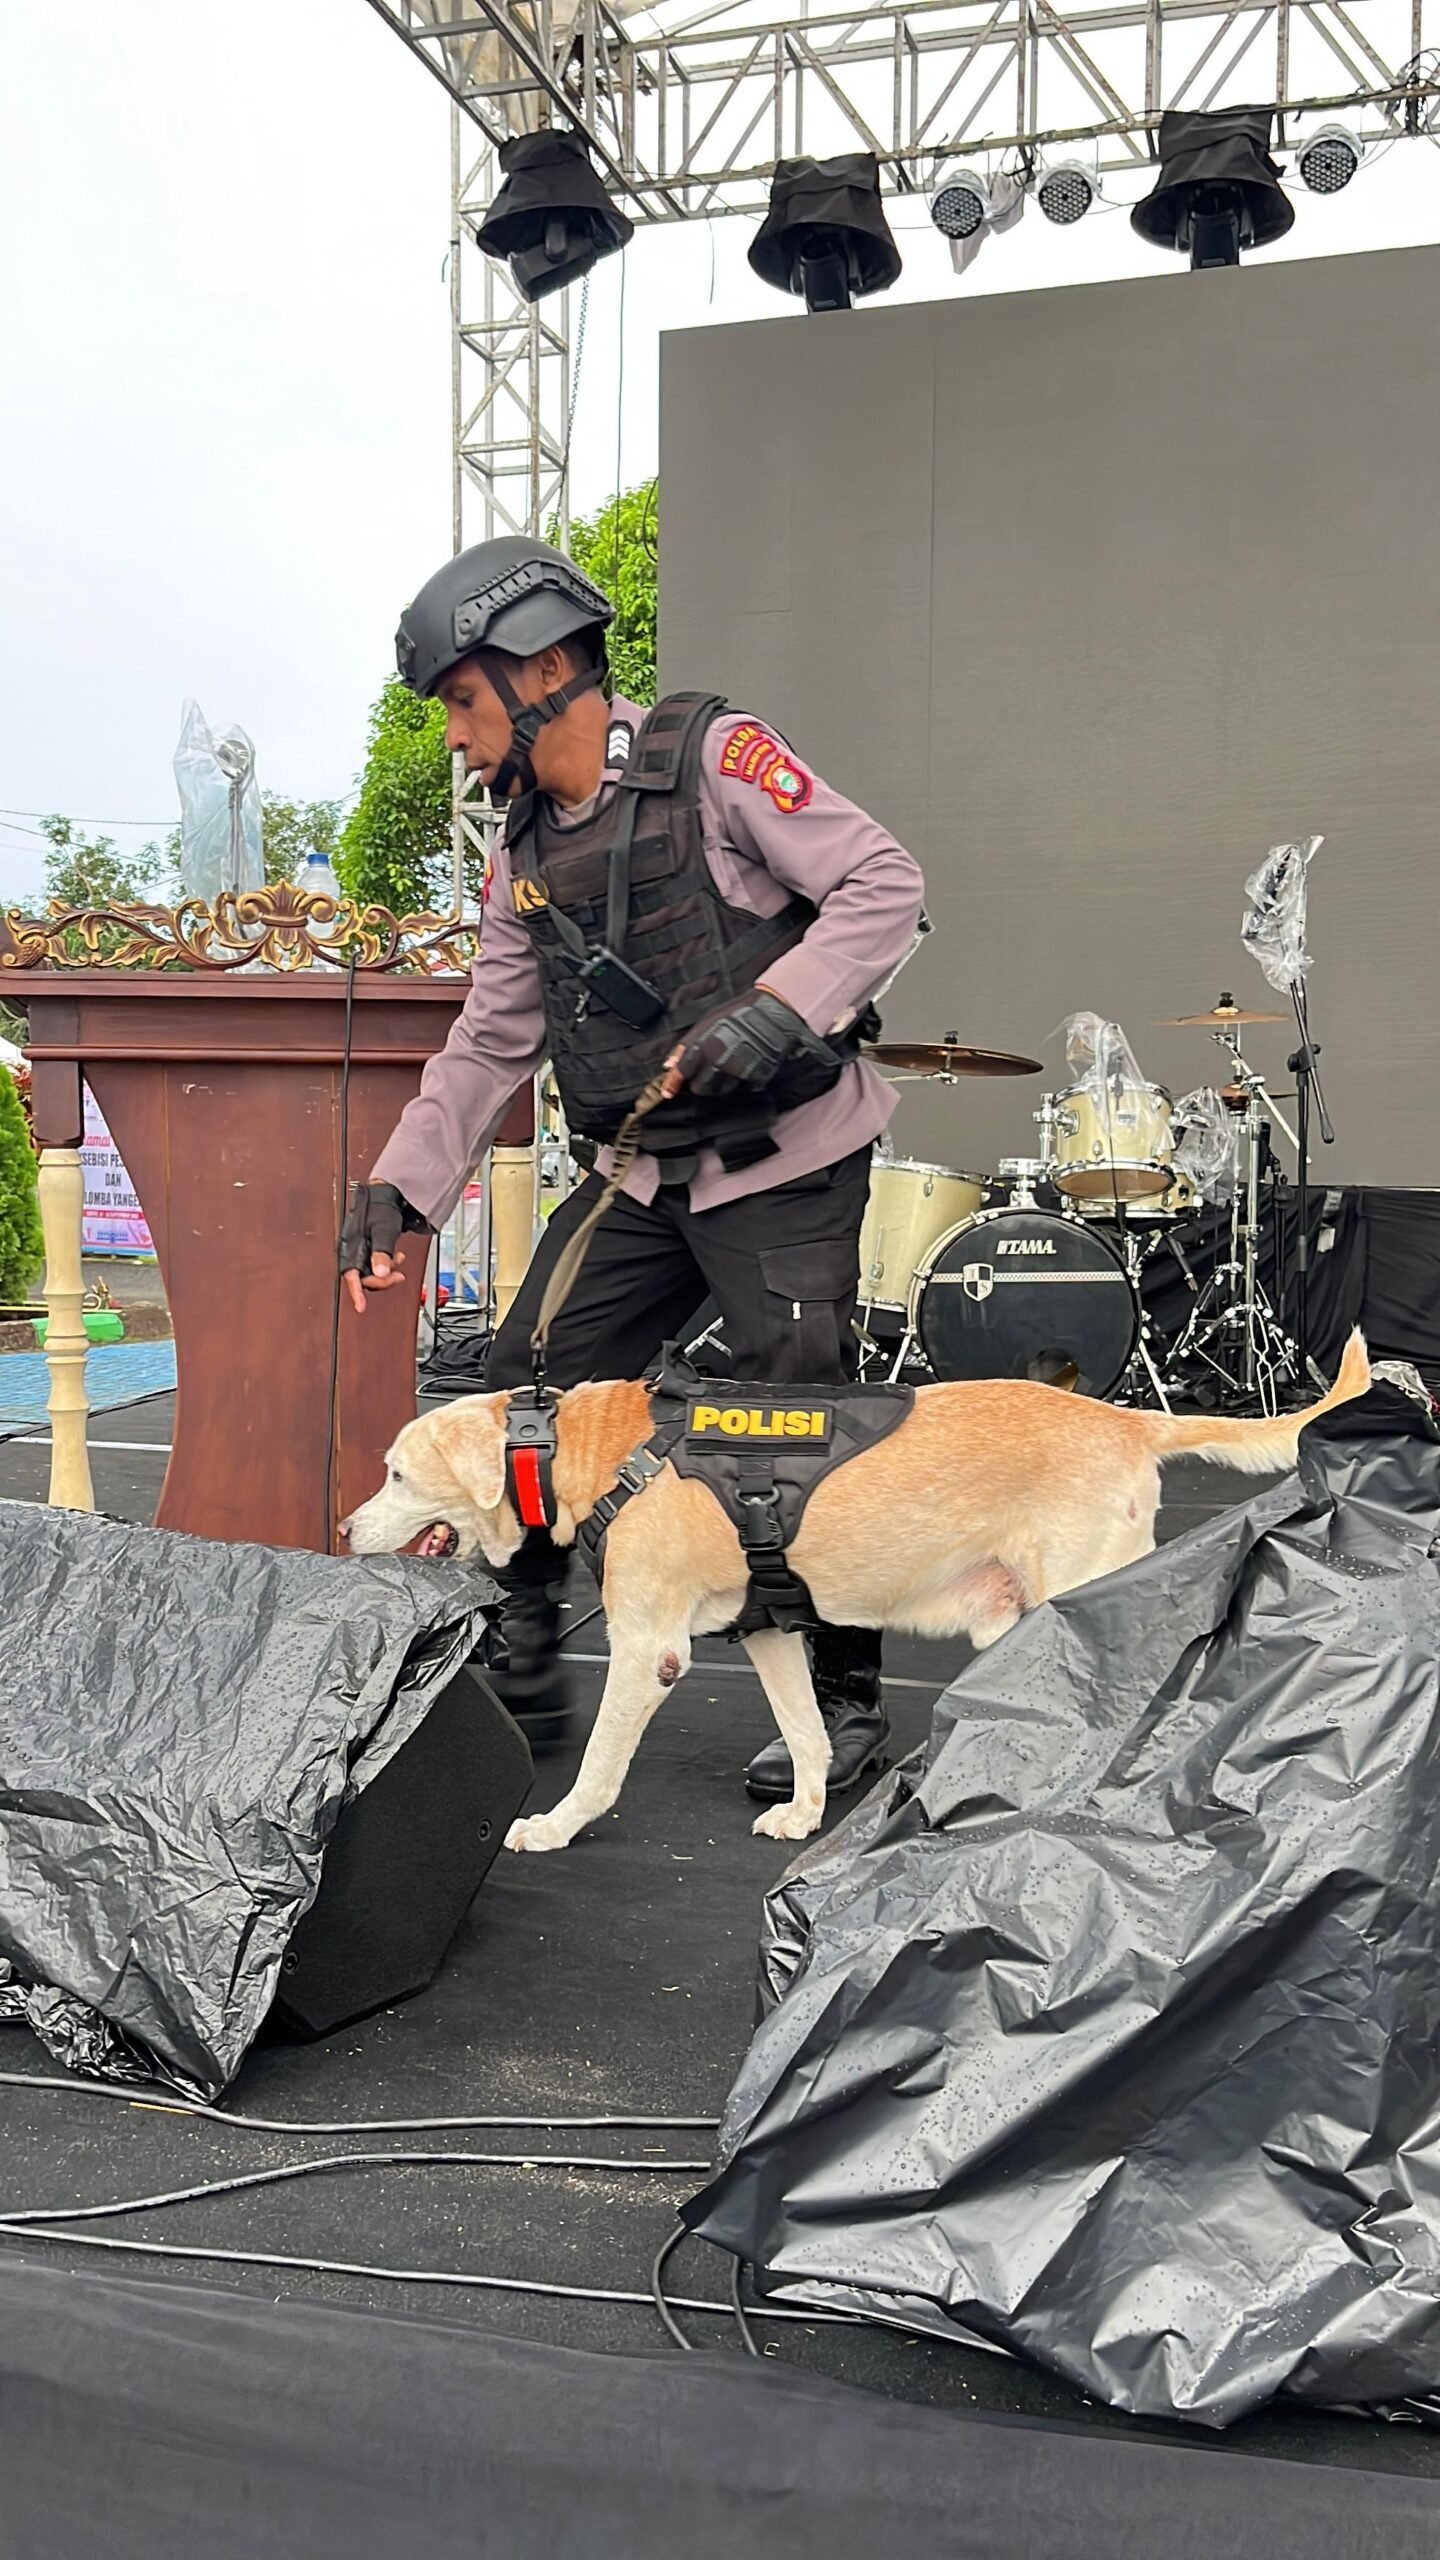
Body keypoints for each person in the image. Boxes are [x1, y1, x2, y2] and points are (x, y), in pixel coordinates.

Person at [341, 535, 925, 1807]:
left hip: (785, 1162)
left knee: (796, 1425)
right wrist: (402, 1187)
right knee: (524, 1383)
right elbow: (490, 1037)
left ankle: (843, 1699)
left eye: (462, 700)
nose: (454, 736)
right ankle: (521, 1658)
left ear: (545, 668)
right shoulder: (521, 856)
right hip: (643, 1174)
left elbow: (884, 882)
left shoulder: (716, 762)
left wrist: (783, 1007)